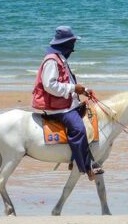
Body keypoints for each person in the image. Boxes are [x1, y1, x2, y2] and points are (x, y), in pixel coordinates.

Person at [31, 26, 102, 180]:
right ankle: (86, 167)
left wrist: (83, 90)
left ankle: (73, 157)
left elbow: (68, 82)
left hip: (66, 103)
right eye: (72, 44)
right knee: (78, 129)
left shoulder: (60, 59)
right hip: (56, 108)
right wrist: (73, 88)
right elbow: (50, 85)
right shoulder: (51, 60)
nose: (73, 49)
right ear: (66, 44)